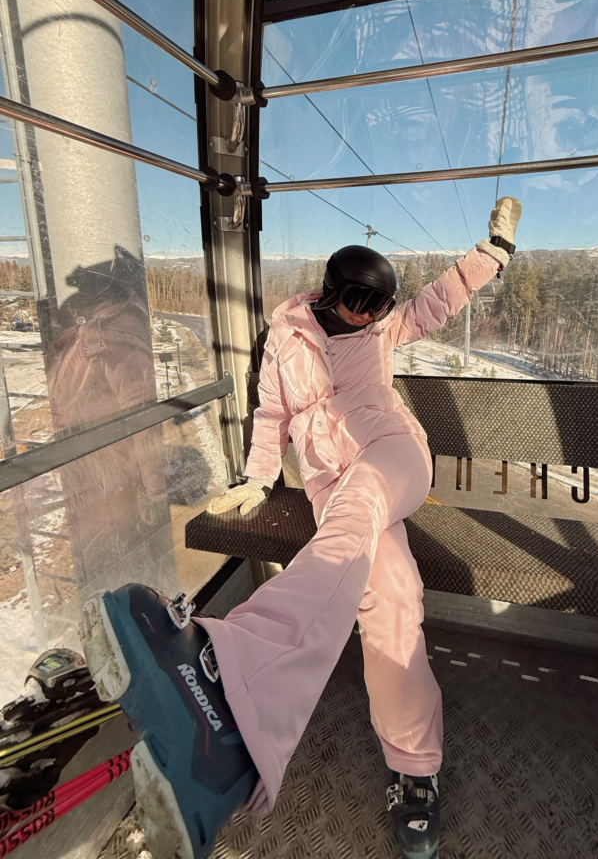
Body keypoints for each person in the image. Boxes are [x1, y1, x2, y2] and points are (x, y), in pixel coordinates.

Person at [78, 197, 523, 859]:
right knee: (391, 599)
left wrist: (494, 251)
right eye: (358, 305)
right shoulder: (284, 335)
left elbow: (439, 300)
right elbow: (268, 415)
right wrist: (258, 479)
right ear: (334, 292)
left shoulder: (379, 333)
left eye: (377, 309)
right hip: (330, 481)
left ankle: (224, 668)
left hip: (393, 454)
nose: (368, 319)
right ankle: (409, 767)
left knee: (355, 517)